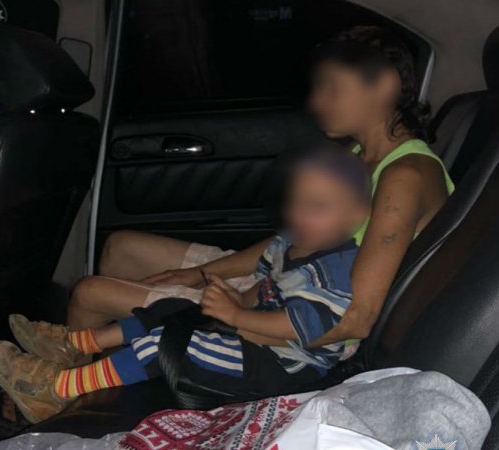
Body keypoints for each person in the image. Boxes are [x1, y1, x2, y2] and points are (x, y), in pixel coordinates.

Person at [67, 26, 455, 353]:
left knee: (89, 294)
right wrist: (197, 275)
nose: (317, 102)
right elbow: (291, 241)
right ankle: (131, 366)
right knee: (121, 249)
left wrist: (235, 320)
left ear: (383, 86)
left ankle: (61, 394)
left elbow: (357, 319)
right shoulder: (357, 155)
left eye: (332, 88)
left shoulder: (405, 176)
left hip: (304, 320)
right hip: (285, 281)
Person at [0, 145, 373, 423]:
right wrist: (238, 299)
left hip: (281, 367)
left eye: (318, 207)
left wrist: (236, 316)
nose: (301, 215)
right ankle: (76, 343)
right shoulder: (291, 242)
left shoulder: (335, 272)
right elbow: (268, 284)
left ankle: (58, 389)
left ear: (357, 215)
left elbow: (297, 328)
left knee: (165, 344)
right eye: (296, 202)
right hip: (257, 337)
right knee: (174, 310)